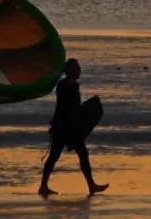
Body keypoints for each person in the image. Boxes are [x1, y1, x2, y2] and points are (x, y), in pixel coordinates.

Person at [38, 58, 108, 197]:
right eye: (76, 68)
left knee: (81, 154)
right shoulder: (63, 86)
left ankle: (91, 185)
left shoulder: (75, 85)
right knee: (55, 156)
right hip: (64, 127)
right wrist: (59, 124)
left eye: (79, 68)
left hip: (72, 125)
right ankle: (44, 186)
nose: (79, 71)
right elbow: (62, 107)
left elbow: (75, 108)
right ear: (69, 71)